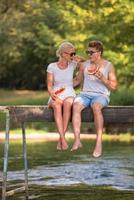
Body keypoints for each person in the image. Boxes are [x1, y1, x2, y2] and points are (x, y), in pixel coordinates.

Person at [72, 40, 118, 157]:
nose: (89, 54)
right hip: (85, 94)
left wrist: (103, 78)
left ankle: (98, 143)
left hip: (101, 95)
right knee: (76, 104)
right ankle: (77, 139)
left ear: (99, 52)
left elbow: (114, 86)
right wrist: (61, 85)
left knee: (96, 106)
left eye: (91, 52)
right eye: (88, 52)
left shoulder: (108, 65)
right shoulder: (84, 65)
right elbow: (77, 81)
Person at [47, 41, 85, 150]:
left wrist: (78, 58)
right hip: (56, 92)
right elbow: (49, 86)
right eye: (71, 54)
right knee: (57, 105)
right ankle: (63, 139)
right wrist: (53, 95)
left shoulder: (73, 64)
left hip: (69, 91)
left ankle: (61, 141)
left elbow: (87, 63)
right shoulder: (52, 66)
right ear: (63, 54)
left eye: (74, 53)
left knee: (68, 103)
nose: (73, 56)